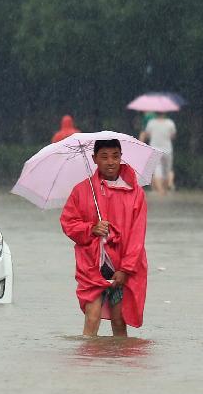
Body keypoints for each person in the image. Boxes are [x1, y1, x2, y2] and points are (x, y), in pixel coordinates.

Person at [60, 139, 148, 337]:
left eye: (115, 156)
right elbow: (68, 223)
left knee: (119, 320)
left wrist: (125, 269)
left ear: (121, 157)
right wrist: (91, 228)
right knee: (92, 317)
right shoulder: (82, 191)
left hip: (121, 266)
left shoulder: (136, 194)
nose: (110, 162)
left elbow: (137, 236)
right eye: (104, 157)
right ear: (94, 159)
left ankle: (118, 367)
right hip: (91, 266)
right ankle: (88, 365)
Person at [139, 112, 176, 194]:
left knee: (157, 170)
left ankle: (160, 191)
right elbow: (173, 136)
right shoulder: (170, 123)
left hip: (155, 149)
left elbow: (148, 134)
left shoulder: (151, 123)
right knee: (167, 170)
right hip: (167, 150)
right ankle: (165, 190)